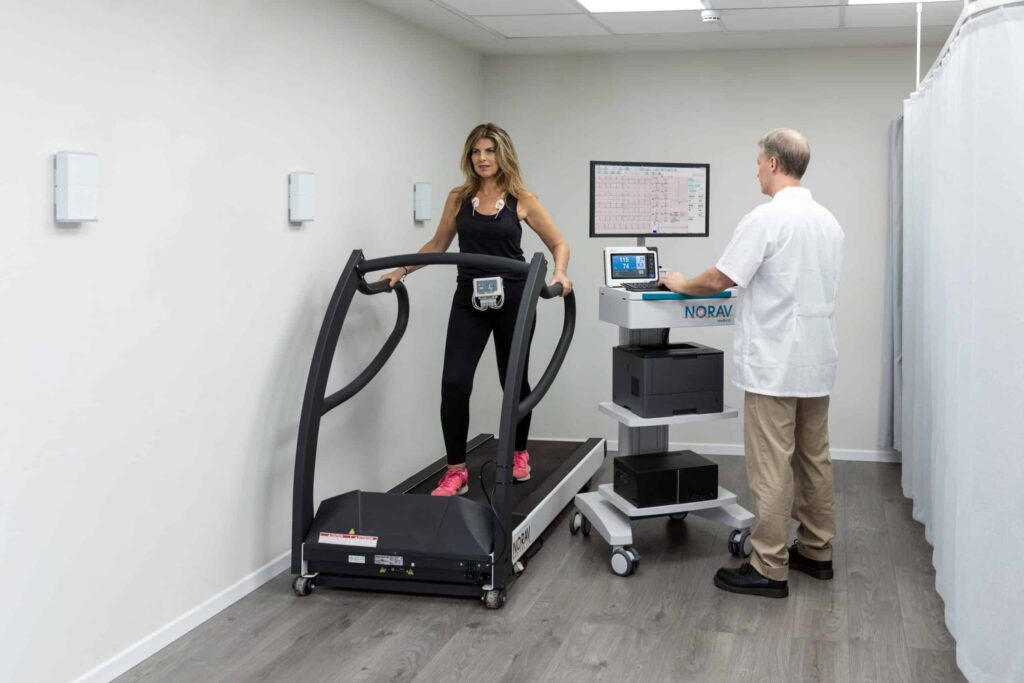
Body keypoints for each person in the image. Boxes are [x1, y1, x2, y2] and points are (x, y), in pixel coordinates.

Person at [660, 129, 844, 598]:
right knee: (813, 458)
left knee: (771, 465)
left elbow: (722, 277)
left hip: (775, 363)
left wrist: (680, 283)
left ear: (775, 162)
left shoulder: (766, 218)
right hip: (815, 360)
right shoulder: (828, 222)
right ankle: (817, 551)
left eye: (759, 161)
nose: (756, 168)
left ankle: (768, 566)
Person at [380, 123, 572, 497]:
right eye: (476, 152)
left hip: (515, 297)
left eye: (490, 151)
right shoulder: (459, 198)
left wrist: (561, 272)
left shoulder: (522, 199)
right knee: (454, 383)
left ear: (503, 155)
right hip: (469, 297)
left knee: (512, 380)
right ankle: (455, 471)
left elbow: (558, 242)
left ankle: (518, 454)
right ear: (469, 157)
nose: (483, 159)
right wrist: (402, 270)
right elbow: (438, 244)